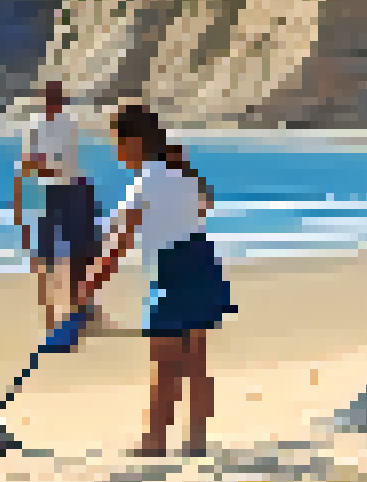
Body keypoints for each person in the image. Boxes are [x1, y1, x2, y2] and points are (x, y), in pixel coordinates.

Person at [76, 105, 235, 457]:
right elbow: (205, 203)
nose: (117, 154)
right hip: (203, 265)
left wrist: (87, 288)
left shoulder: (144, 183)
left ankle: (154, 446)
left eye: (117, 144)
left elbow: (118, 245)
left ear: (133, 142)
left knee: (164, 367)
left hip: (174, 271)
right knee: (195, 365)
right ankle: (195, 444)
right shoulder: (182, 176)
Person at [16, 81, 105, 331]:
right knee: (47, 257)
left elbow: (53, 165)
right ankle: (51, 316)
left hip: (74, 189)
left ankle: (83, 309)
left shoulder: (68, 124)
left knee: (81, 254)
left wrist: (33, 167)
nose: (52, 102)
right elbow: (30, 163)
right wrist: (32, 170)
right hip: (51, 191)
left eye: (56, 98)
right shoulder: (35, 125)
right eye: (49, 97)